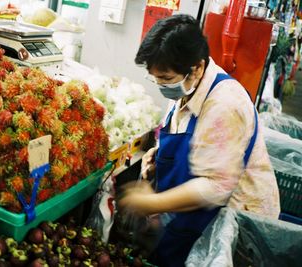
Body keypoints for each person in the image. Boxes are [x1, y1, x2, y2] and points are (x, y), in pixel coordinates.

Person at [118, 14, 280, 267]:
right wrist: (159, 155)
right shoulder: (187, 86)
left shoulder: (224, 104)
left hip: (234, 225)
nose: (162, 86)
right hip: (194, 215)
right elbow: (184, 133)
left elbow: (216, 187)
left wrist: (151, 202)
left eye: (167, 79)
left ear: (198, 68)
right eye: (155, 78)